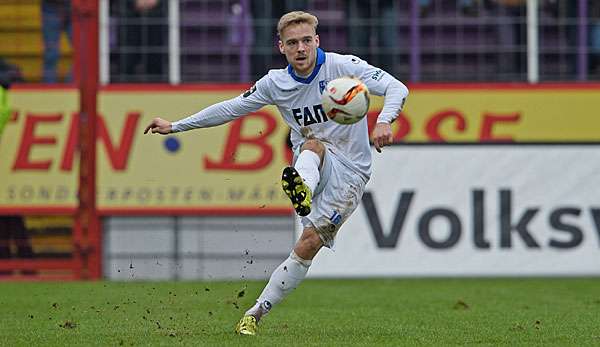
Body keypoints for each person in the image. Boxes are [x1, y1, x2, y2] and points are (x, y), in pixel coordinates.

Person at [144, 11, 409, 335]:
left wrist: (384, 119)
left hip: (352, 170)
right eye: (293, 43)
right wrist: (176, 126)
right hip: (312, 159)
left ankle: (257, 310)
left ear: (317, 41)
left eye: (306, 41)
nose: (301, 49)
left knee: (308, 243)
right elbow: (230, 108)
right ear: (281, 46)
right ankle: (303, 191)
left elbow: (397, 88)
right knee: (312, 145)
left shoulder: (344, 67)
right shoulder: (275, 83)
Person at [112, 0, 168, 82]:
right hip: (127, 10)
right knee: (127, 56)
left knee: (155, 54)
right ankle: (125, 83)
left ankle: (155, 83)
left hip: (157, 10)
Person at [41, 0, 72, 83]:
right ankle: (49, 87)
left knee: (83, 53)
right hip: (51, 8)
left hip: (74, 9)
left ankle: (71, 84)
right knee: (51, 54)